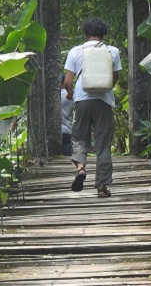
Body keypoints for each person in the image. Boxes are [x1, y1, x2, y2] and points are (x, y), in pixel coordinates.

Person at [63, 17, 121, 198]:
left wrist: (71, 94)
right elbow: (115, 77)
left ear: (85, 34)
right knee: (103, 143)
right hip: (103, 101)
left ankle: (81, 168)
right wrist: (107, 88)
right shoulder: (113, 51)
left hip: (81, 100)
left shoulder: (75, 51)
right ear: (103, 33)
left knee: (79, 137)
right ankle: (102, 187)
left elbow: (67, 81)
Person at [60, 74, 74, 157]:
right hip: (67, 130)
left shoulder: (53, 96)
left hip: (55, 131)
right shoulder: (71, 95)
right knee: (67, 155)